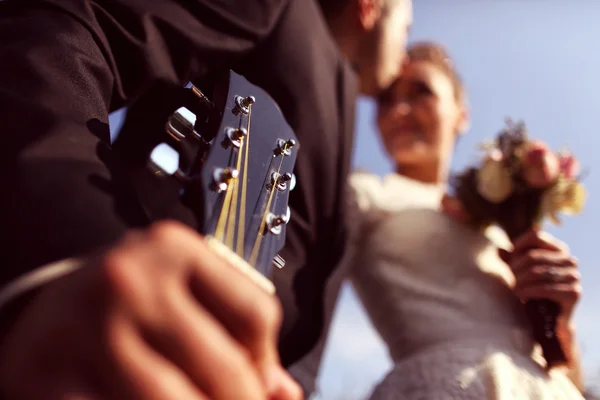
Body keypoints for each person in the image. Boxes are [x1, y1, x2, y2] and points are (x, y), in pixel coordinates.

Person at [0, 0, 412, 398]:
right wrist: (68, 259)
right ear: (369, 6)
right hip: (110, 346)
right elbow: (68, 27)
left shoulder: (344, 106)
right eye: (406, 29)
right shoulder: (286, 11)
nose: (405, 51)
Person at [343, 42, 585, 398]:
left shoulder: (495, 223)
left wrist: (560, 322)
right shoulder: (364, 192)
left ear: (461, 114)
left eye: (420, 92)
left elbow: (571, 378)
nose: (399, 111)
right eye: (385, 101)